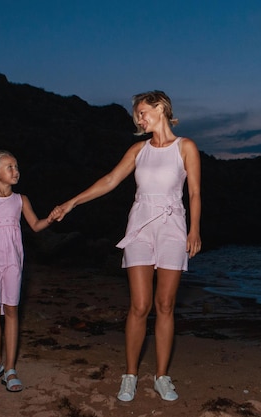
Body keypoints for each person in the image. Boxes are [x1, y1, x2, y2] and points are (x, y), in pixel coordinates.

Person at [51, 91, 201, 402]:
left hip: (173, 228)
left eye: (143, 113)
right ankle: (130, 375)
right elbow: (109, 180)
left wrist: (195, 231)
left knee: (165, 306)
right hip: (140, 228)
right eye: (137, 116)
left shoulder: (185, 147)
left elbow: (196, 193)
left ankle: (162, 377)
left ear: (161, 108)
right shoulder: (138, 150)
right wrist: (71, 202)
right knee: (139, 305)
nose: (140, 120)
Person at [0, 150, 56, 392]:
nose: (15, 170)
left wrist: (51, 217)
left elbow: (36, 226)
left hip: (13, 263)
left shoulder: (21, 200)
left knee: (12, 311)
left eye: (16, 166)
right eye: (9, 167)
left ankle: (10, 368)